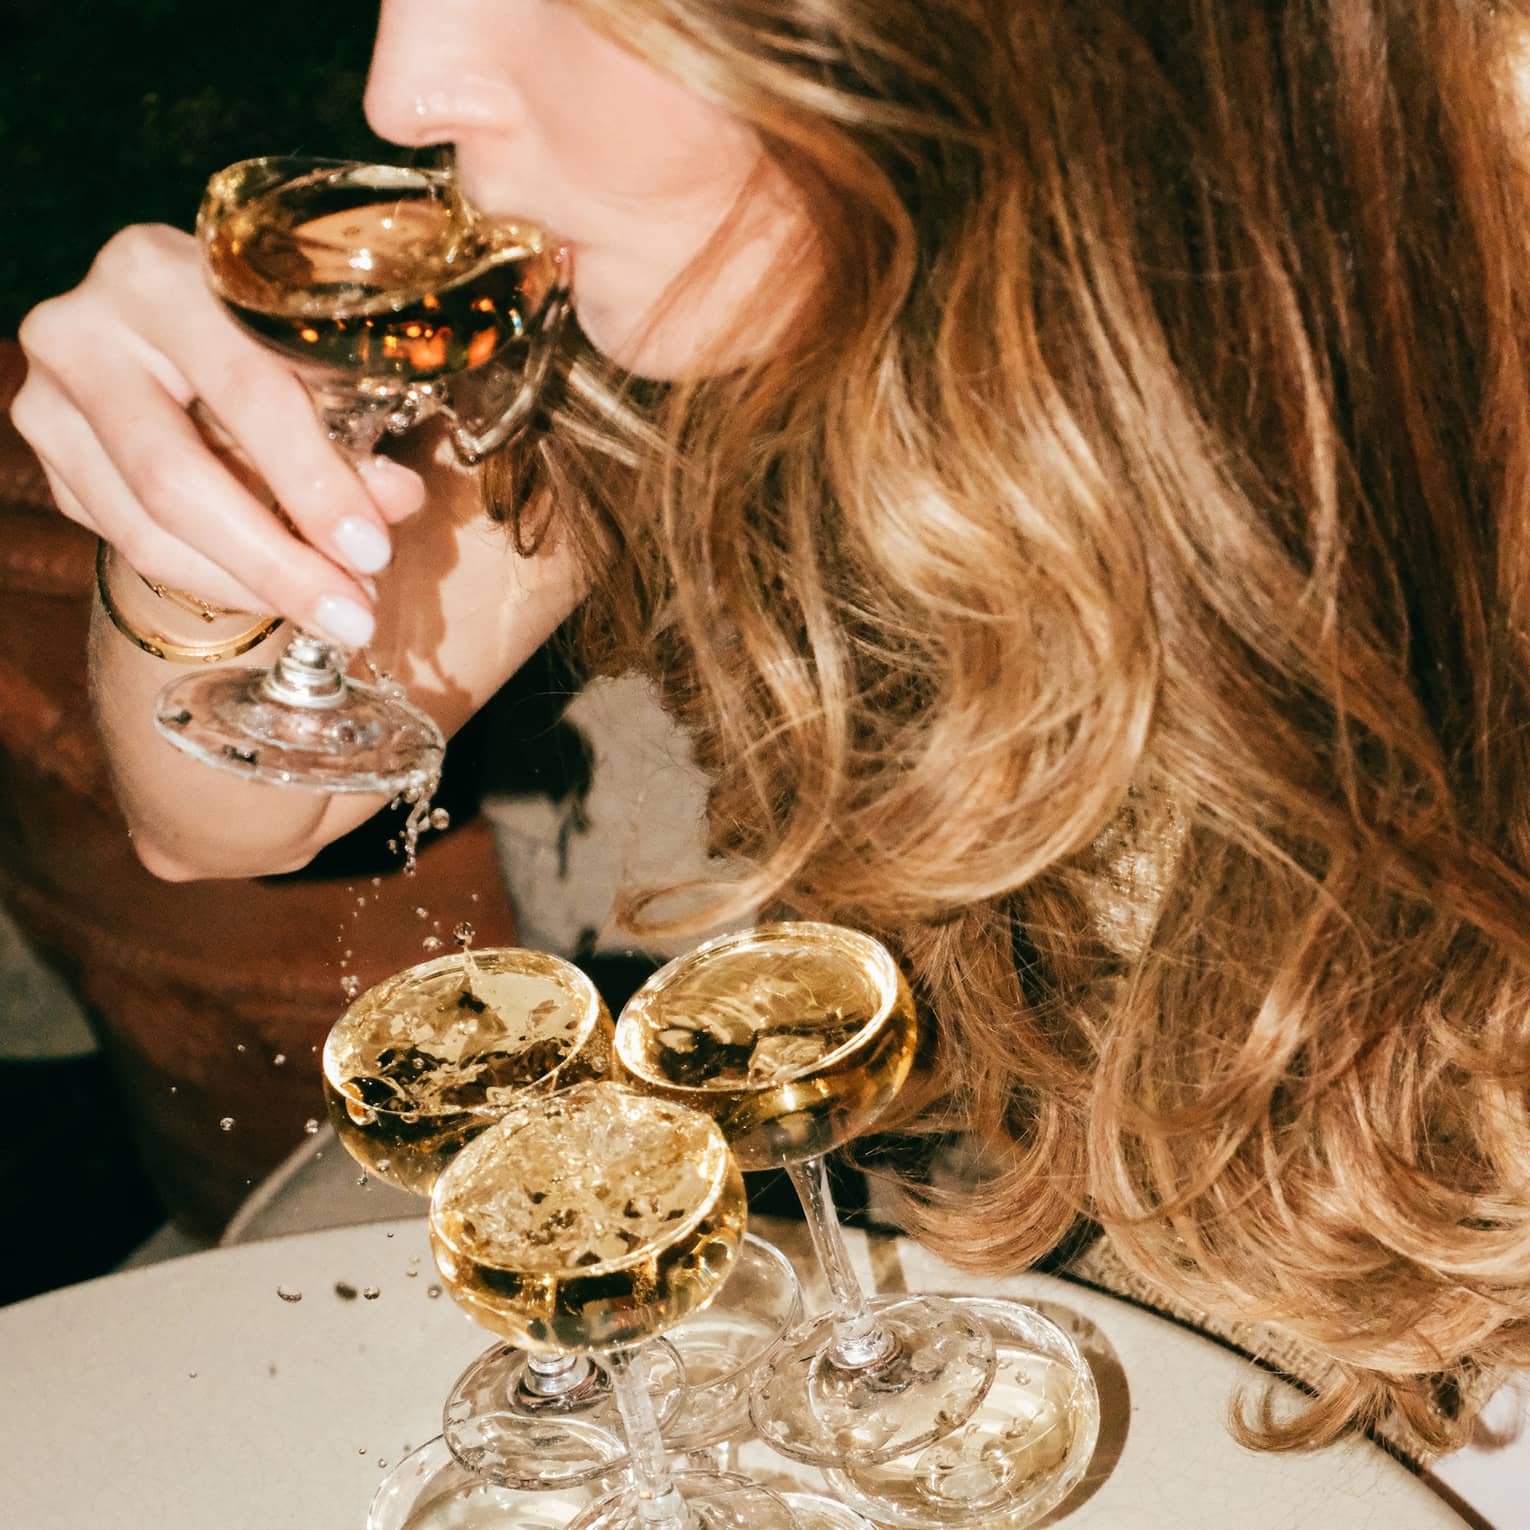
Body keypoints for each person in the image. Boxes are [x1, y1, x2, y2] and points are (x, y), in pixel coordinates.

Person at [15, 0, 1530, 1457]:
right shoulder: (738, 260)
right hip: (1116, 1285)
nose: (404, 91)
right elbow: (225, 818)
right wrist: (208, 529)